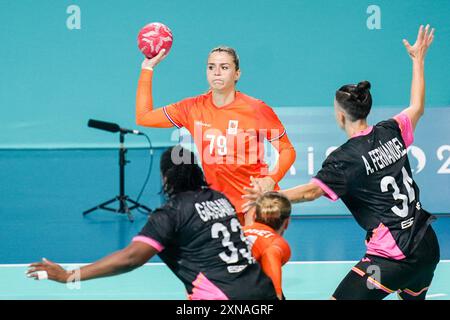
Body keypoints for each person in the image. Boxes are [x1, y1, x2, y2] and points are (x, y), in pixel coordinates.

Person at [244, 25, 439, 300]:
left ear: (340, 116)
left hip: (391, 260)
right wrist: (418, 60)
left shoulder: (345, 158)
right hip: (427, 247)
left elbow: (311, 192)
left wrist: (271, 194)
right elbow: (417, 106)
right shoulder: (391, 130)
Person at [27, 146, 278, 300]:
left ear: (165, 176)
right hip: (264, 292)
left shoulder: (171, 213)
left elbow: (130, 259)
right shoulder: (220, 199)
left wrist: (71, 275)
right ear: (197, 171)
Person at [135, 46, 296, 225]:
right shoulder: (192, 108)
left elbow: (287, 149)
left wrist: (270, 179)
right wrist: (147, 68)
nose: (217, 72)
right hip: (220, 207)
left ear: (237, 74)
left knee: (259, 252)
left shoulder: (257, 109)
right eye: (211, 67)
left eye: (224, 67)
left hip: (256, 202)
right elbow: (144, 117)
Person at [243, 192, 292, 300]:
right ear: (287, 222)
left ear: (254, 216)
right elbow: (271, 255)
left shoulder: (237, 232)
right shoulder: (276, 243)